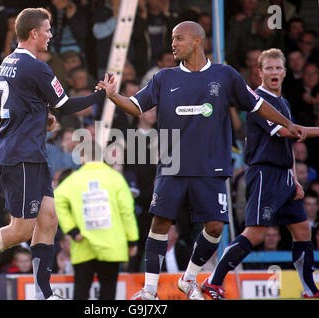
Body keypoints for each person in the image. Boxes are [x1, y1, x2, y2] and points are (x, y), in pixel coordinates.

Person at [96, 21, 304, 300]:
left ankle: (188, 279)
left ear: (197, 42)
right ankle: (148, 291)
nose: (173, 44)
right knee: (159, 223)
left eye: (178, 39)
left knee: (216, 227)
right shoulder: (163, 78)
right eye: (172, 39)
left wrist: (288, 125)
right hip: (173, 164)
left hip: (212, 166)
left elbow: (256, 105)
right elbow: (135, 106)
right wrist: (113, 96)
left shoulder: (225, 75)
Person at [0, 7, 114, 300]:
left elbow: (4, 104)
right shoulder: (36, 66)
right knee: (20, 230)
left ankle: (43, 294)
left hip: (27, 152)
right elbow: (65, 105)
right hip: (22, 156)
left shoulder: (7, 63)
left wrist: (40, 117)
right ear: (34, 33)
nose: (50, 35)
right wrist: (101, 94)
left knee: (48, 219)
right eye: (47, 30)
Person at [202, 48, 319, 299]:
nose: (274, 72)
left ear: (285, 72)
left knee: (302, 231)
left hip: (284, 176)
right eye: (269, 68)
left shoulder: (284, 102)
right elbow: (288, 133)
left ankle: (310, 289)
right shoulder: (258, 101)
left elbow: (287, 145)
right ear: (260, 72)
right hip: (265, 173)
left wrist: (295, 180)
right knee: (255, 233)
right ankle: (214, 281)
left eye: (278, 68)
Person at [54, 140, 139, 300]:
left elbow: (57, 201)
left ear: (81, 157)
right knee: (108, 292)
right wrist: (132, 240)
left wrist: (72, 230)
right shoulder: (116, 179)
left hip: (83, 245)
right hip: (112, 246)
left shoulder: (73, 180)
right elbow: (127, 212)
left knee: (81, 291)